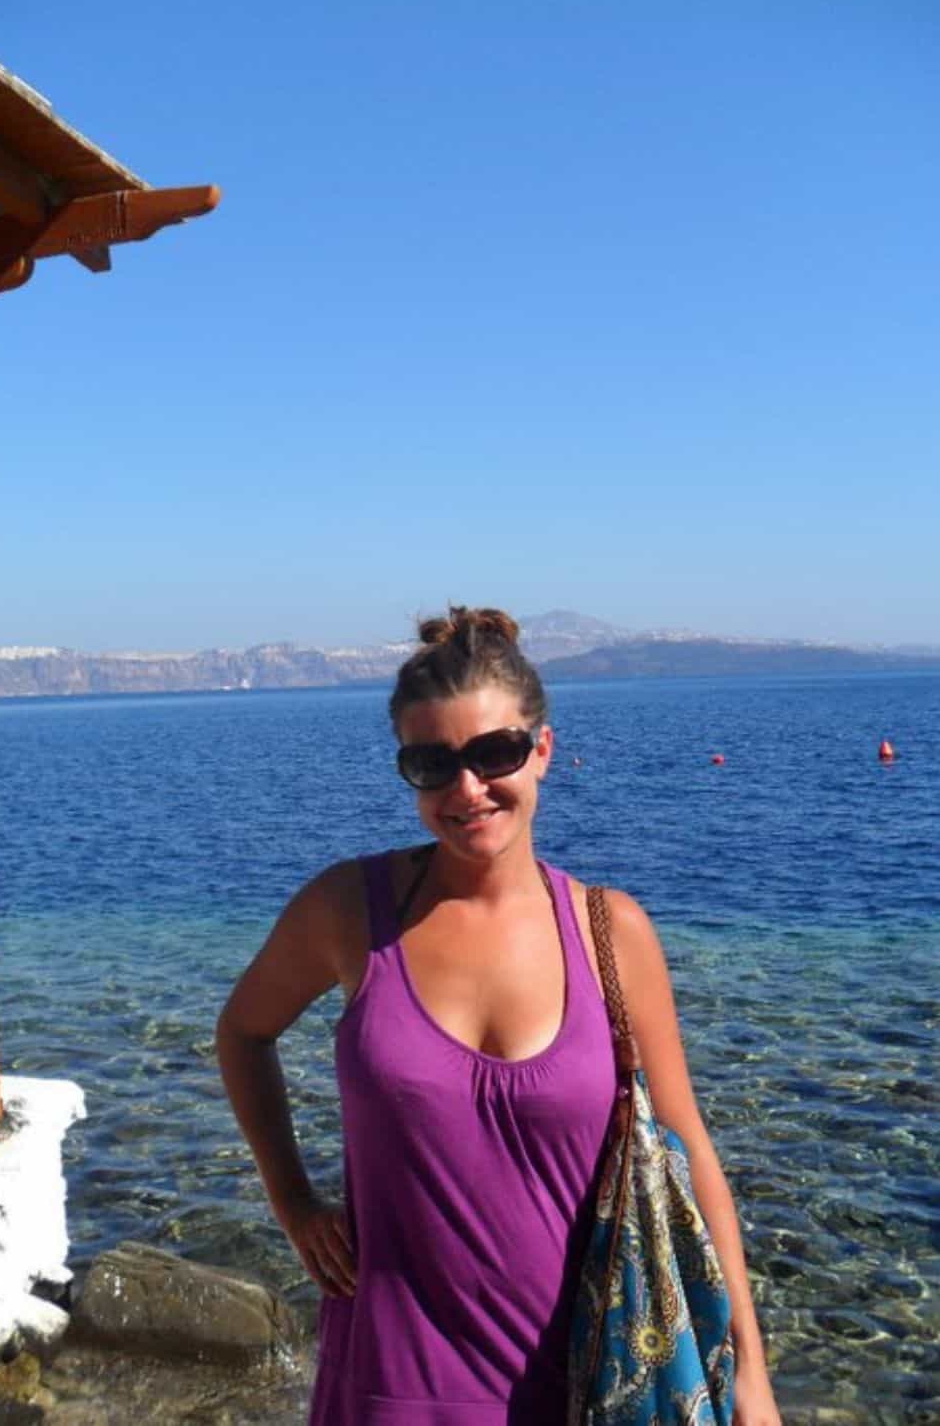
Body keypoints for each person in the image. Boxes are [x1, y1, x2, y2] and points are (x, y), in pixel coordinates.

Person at [216, 606, 780, 1425]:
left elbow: (690, 1149)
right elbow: (243, 1031)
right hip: (390, 1381)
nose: (468, 789)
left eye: (495, 753)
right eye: (432, 764)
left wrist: (750, 1375)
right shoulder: (350, 912)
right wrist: (293, 1202)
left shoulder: (609, 934)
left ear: (542, 750)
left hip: (587, 1380)